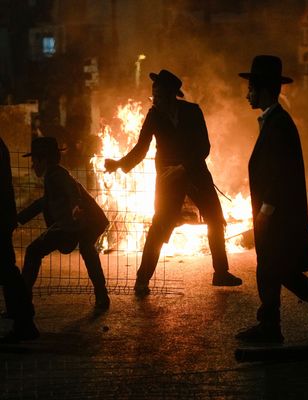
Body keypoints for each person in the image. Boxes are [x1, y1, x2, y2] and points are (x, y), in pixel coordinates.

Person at [235, 55, 308, 344]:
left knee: (275, 267)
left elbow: (281, 172)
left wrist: (265, 211)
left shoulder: (279, 123)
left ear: (264, 90)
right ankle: (282, 320)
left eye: (251, 88)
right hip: (275, 213)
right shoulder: (273, 120)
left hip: (278, 215)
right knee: (274, 267)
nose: (247, 94)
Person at [104, 69, 242, 295]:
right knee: (159, 227)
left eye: (158, 96)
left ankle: (221, 273)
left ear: (171, 95)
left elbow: (204, 147)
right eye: (153, 96)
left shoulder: (193, 112)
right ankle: (142, 279)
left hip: (195, 173)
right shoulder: (154, 116)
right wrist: (119, 164)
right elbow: (141, 148)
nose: (154, 100)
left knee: (216, 219)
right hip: (168, 179)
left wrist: (184, 168)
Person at [18, 137, 110, 310]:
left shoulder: (56, 175)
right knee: (86, 249)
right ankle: (102, 295)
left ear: (43, 160)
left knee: (34, 251)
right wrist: (19, 218)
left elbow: (71, 190)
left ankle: (21, 304)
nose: (33, 165)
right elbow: (44, 202)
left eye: (34, 160)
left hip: (84, 221)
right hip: (83, 221)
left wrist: (76, 208)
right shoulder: (54, 174)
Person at [0, 136, 39, 343]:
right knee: (7, 271)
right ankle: (24, 320)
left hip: (1, 217)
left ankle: (24, 322)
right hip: (3, 216)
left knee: (6, 270)